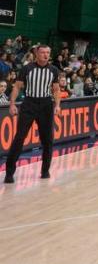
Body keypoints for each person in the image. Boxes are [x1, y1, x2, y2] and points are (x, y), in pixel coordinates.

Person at [4, 45, 61, 183]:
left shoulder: (53, 70)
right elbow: (17, 87)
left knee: (47, 140)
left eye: (48, 52)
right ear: (37, 53)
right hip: (29, 104)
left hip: (46, 105)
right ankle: (9, 173)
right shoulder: (27, 68)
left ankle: (45, 170)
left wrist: (58, 105)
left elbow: (56, 90)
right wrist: (12, 104)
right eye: (43, 52)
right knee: (19, 138)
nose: (45, 55)